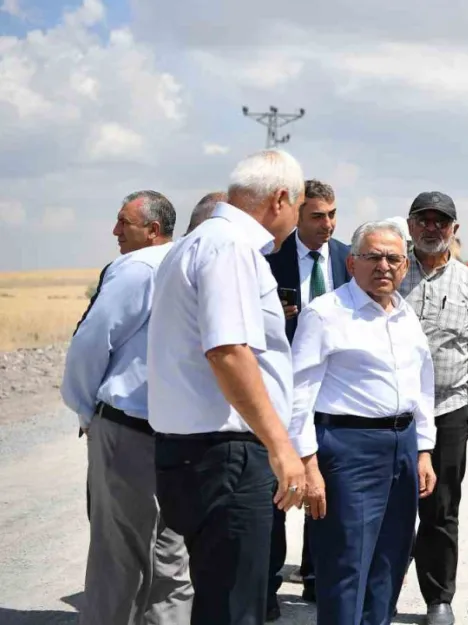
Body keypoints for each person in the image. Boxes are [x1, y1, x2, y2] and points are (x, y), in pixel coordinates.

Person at [146, 148, 323, 625]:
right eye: (300, 205)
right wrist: (282, 446)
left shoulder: (195, 243)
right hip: (226, 456)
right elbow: (228, 352)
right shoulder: (230, 247)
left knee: (218, 601)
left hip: (194, 452)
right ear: (281, 199)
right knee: (234, 609)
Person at [289, 219, 438, 624]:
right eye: (373, 257)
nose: (384, 266)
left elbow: (421, 385)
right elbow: (299, 392)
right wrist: (306, 463)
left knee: (391, 560)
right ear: (352, 262)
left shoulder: (405, 315)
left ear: (405, 266)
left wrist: (423, 450)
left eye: (393, 258)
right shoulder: (326, 313)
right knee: (346, 564)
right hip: (348, 448)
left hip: (402, 447)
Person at [61, 190, 193, 625]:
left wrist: (84, 409)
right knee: (170, 558)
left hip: (128, 430)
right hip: (179, 433)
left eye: (124, 222)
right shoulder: (187, 263)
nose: (115, 231)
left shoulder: (137, 268)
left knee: (116, 556)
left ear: (152, 230)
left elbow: (91, 343)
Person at [400, 191, 468, 625]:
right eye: (423, 220)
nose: (431, 228)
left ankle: (438, 599)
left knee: (441, 507)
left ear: (453, 230)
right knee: (390, 505)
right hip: (392, 413)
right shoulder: (390, 271)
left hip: (448, 410)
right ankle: (380, 585)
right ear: (410, 226)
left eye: (440, 222)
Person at [262, 179, 351, 616]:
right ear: (296, 214)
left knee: (324, 487)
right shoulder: (268, 259)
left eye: (333, 214)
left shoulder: (349, 259)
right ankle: (268, 584)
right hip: (278, 394)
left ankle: (316, 579)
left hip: (331, 395)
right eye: (318, 215)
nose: (328, 224)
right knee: (277, 490)